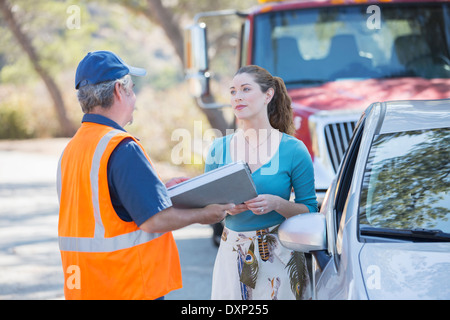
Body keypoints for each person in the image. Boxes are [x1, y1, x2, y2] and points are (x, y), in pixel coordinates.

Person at [57, 50, 234, 300]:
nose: (135, 98)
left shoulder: (73, 149)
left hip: (89, 288)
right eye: (133, 88)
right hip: (127, 286)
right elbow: (154, 221)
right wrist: (205, 215)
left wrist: (157, 188)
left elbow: (103, 202)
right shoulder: (121, 146)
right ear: (120, 90)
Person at [205, 65, 318, 300]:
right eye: (233, 91)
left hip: (282, 258)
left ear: (268, 95)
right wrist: (226, 209)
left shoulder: (293, 149)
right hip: (231, 258)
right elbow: (207, 210)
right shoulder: (219, 149)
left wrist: (278, 203)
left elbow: (310, 211)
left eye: (246, 89)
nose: (238, 97)